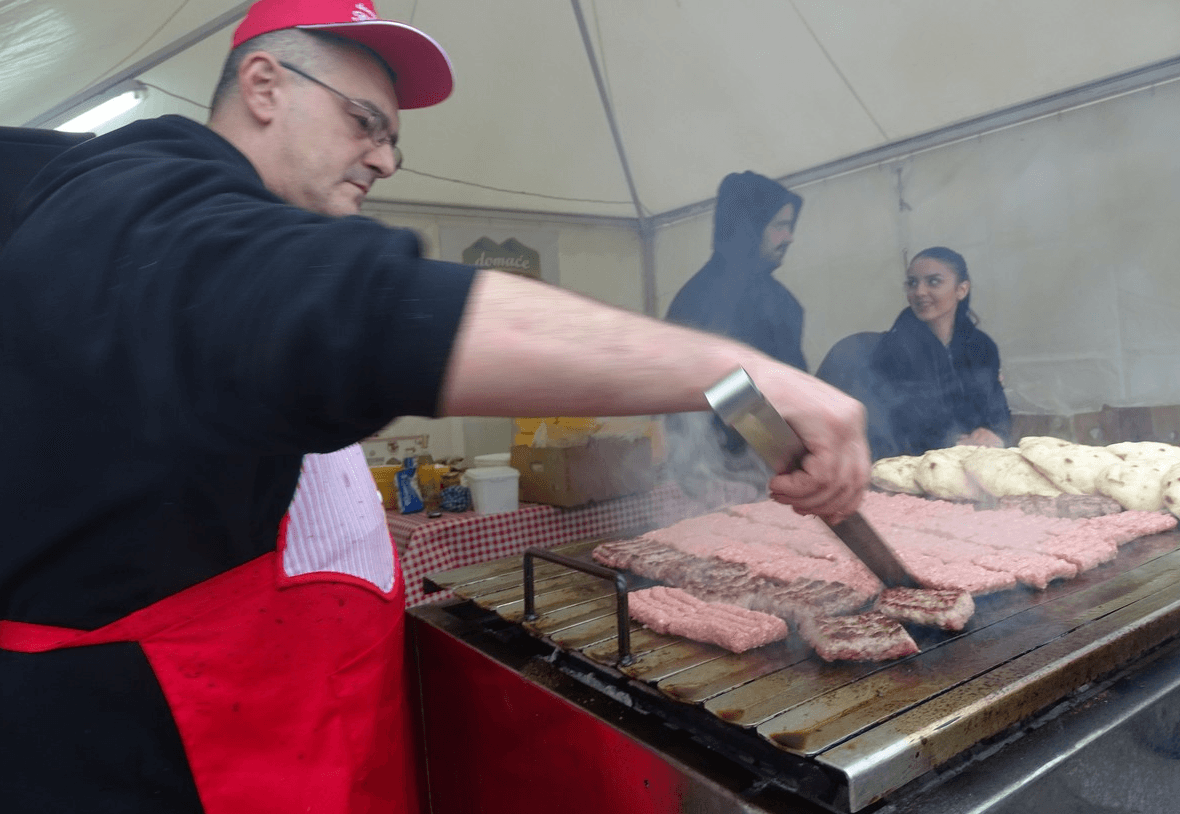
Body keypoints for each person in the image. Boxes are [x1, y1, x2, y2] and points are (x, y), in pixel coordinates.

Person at [0, 1, 869, 812]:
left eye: (393, 141)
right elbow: (356, 311)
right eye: (364, 121)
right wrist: (748, 377)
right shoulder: (132, 204)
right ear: (262, 86)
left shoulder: (239, 237)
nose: (383, 157)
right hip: (158, 761)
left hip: (313, 733)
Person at [662, 171, 807, 499]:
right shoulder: (703, 299)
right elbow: (722, 386)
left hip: (767, 471)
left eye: (791, 226)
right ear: (750, 228)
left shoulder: (777, 298)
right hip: (725, 476)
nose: (789, 237)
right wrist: (788, 459)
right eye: (780, 226)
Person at [870, 245, 1011, 457]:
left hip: (979, 460)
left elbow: (998, 409)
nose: (919, 292)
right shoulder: (891, 349)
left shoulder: (982, 347)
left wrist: (992, 433)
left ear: (961, 289)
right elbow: (894, 421)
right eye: (912, 283)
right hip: (916, 464)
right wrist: (953, 442)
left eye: (933, 282)